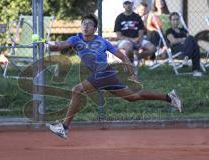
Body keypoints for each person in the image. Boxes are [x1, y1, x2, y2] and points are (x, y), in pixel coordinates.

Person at [45, 13, 182, 139]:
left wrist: (133, 74)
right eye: (84, 23)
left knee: (77, 90)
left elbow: (123, 57)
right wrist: (46, 43)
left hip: (104, 72)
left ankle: (64, 127)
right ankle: (169, 97)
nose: (86, 26)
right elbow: (59, 45)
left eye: (89, 24)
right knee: (133, 97)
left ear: (95, 28)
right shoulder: (76, 39)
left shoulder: (103, 42)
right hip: (106, 76)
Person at [114, 0, 156, 67]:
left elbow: (141, 31)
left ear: (132, 5)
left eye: (129, 3)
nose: (128, 5)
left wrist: (139, 39)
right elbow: (119, 36)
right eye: (126, 3)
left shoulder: (137, 17)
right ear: (123, 5)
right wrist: (131, 40)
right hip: (125, 41)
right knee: (129, 48)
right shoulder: (119, 18)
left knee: (153, 48)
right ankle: (130, 65)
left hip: (138, 39)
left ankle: (138, 57)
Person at [166, 12, 202, 77]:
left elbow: (189, 39)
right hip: (177, 49)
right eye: (173, 20)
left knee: (192, 41)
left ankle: (186, 58)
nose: (176, 21)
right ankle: (195, 70)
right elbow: (173, 41)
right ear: (170, 21)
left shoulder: (183, 29)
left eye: (177, 19)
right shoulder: (169, 31)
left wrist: (184, 40)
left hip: (186, 48)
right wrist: (183, 39)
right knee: (194, 45)